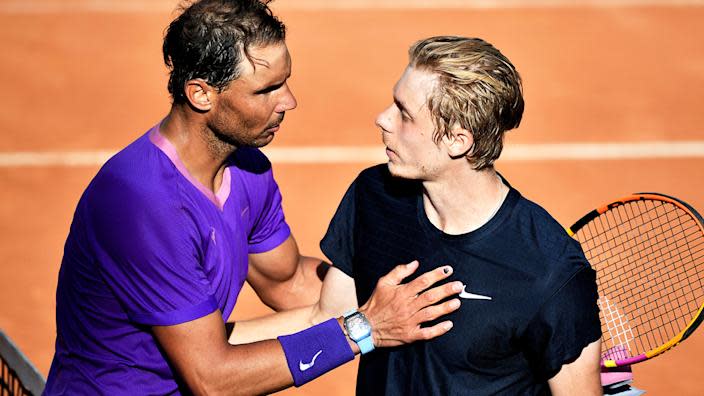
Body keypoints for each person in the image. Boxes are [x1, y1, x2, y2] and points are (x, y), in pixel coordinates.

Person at [42, 2, 463, 394]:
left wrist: (426, 289)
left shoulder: (247, 169)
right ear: (202, 94)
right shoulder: (144, 204)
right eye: (266, 90)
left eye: (286, 82)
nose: (289, 102)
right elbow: (213, 379)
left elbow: (291, 282)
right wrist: (366, 328)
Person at [232, 36, 603, 395]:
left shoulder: (549, 272)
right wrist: (194, 348)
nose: (383, 119)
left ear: (458, 140)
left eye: (404, 114)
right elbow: (324, 318)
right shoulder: (375, 196)